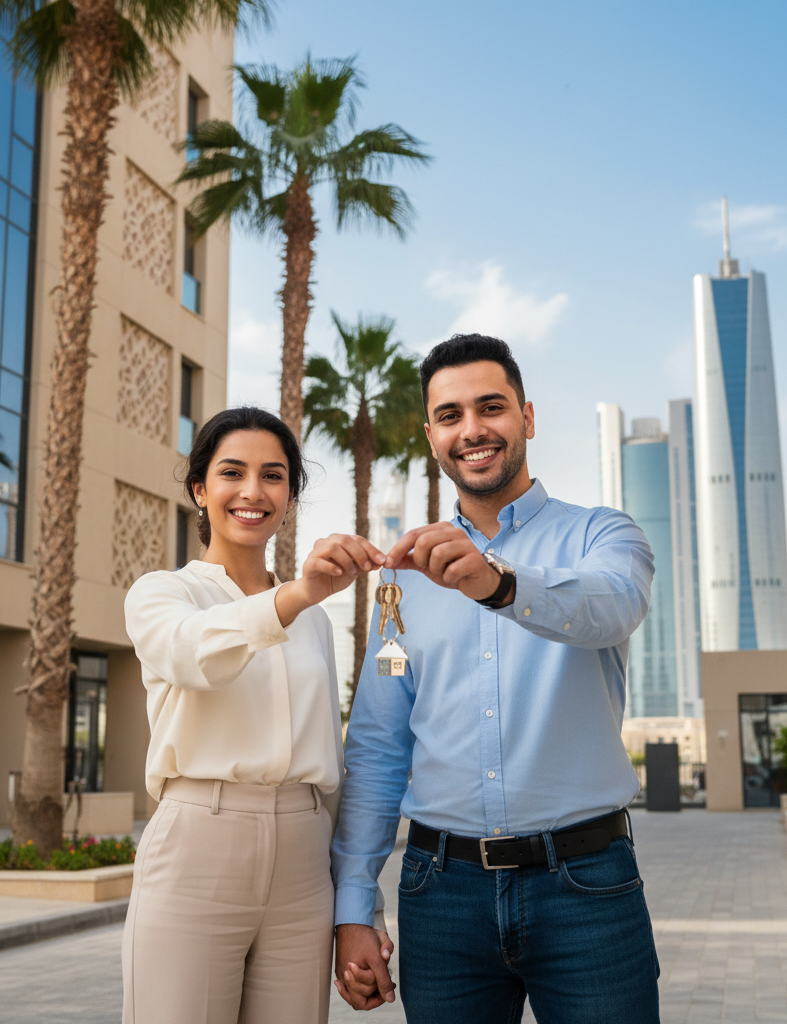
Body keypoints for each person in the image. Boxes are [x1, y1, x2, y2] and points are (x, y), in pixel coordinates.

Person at [331, 335, 661, 1023]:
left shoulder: (604, 537)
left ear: (528, 417)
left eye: (491, 407)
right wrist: (354, 905)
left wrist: (498, 584)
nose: (472, 430)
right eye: (450, 415)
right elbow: (379, 741)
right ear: (431, 435)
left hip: (587, 887)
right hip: (440, 894)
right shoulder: (400, 582)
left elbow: (611, 606)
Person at [121, 406, 389, 1024]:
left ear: (290, 497)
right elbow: (191, 655)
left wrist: (362, 912)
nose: (252, 491)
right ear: (200, 488)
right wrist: (294, 594)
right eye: (231, 472)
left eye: (273, 476)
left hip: (303, 855)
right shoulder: (163, 592)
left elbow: (335, 768)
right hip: (197, 845)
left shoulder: (316, 622)